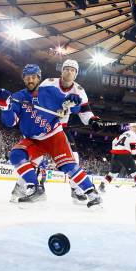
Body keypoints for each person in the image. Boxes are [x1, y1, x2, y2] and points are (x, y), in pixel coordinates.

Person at [0, 64, 101, 208]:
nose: (30, 80)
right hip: (34, 139)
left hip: (53, 135)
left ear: (39, 78)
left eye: (33, 77)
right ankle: (35, 188)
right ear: (23, 80)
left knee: (68, 166)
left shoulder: (50, 91)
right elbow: (10, 122)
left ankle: (92, 194)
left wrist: (73, 100)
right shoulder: (18, 97)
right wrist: (5, 108)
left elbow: (72, 106)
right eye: (27, 78)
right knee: (16, 155)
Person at [43, 59, 103, 203]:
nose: (69, 71)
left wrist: (92, 120)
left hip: (60, 128)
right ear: (61, 70)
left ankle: (75, 189)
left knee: (74, 159)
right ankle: (26, 187)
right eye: (67, 68)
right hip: (42, 125)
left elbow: (85, 112)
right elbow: (37, 100)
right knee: (35, 158)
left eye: (72, 70)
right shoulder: (48, 83)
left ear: (76, 74)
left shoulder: (79, 91)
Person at [98, 123, 136, 194]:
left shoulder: (123, 134)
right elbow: (134, 152)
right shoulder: (134, 135)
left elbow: (113, 141)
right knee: (135, 173)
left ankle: (102, 186)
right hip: (125, 155)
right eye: (134, 127)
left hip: (115, 155)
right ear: (130, 127)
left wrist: (118, 149)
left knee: (112, 174)